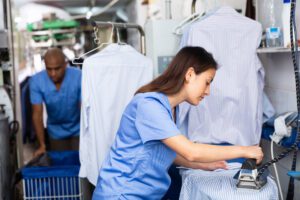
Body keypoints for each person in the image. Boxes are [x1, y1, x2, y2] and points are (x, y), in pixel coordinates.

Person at [92, 46, 264, 199]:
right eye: (207, 82)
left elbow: (166, 152)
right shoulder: (149, 105)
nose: (208, 91)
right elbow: (191, 151)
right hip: (121, 193)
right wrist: (244, 150)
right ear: (189, 74)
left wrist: (203, 165)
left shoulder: (169, 108)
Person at [29, 47, 81, 157]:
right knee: (61, 166)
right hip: (55, 133)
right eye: (49, 69)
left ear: (65, 64)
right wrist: (42, 145)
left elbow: (84, 108)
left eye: (57, 69)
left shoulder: (79, 76)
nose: (53, 74)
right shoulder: (36, 81)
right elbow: (37, 114)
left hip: (79, 130)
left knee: (81, 166)